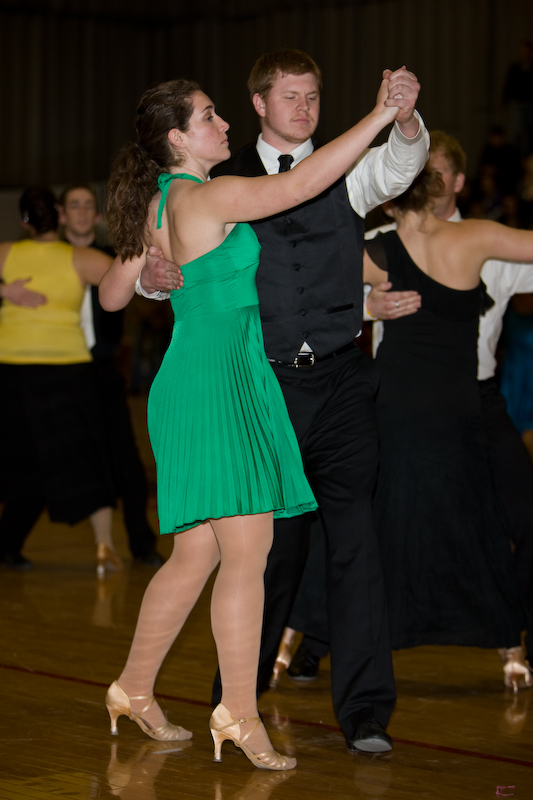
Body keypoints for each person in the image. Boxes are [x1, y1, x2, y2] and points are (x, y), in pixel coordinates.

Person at [98, 69, 410, 768]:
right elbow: (303, 183)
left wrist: (146, 272)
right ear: (178, 138)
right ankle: (238, 713)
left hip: (200, 377)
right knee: (248, 552)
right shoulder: (210, 196)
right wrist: (377, 116)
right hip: (216, 383)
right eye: (209, 116)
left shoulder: (159, 199)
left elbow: (113, 296)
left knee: (197, 554)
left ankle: (133, 688)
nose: (225, 124)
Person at [369, 130, 533, 678]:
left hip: (467, 402)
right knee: (372, 518)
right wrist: (367, 308)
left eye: (435, 171)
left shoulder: (480, 236)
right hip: (405, 404)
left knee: (514, 517)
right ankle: (315, 640)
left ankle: (513, 631)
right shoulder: (385, 242)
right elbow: (314, 298)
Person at [0, 187, 120, 576]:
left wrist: (5, 290)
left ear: (25, 221)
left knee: (18, 464)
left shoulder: (6, 253)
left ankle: (10, 545)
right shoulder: (80, 258)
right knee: (86, 458)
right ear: (59, 216)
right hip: (67, 374)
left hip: (13, 373)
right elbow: (130, 279)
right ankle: (104, 546)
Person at [58, 184, 164, 567]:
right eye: (74, 205)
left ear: (98, 215)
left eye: (89, 205)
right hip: (57, 372)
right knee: (45, 456)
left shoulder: (116, 259)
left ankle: (142, 544)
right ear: (61, 215)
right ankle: (8, 543)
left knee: (127, 461)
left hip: (101, 370)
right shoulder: (47, 257)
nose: (82, 211)